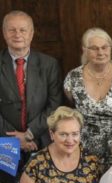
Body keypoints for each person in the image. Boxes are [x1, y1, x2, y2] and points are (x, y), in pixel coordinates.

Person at [64, 28, 112, 171]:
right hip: (84, 147)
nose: (100, 52)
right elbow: (72, 106)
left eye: (105, 47)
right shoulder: (73, 77)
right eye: (94, 48)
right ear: (85, 50)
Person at [0, 11, 62, 163]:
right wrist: (14, 139)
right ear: (4, 33)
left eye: (23, 30)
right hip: (3, 142)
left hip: (40, 139)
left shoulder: (49, 64)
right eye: (12, 30)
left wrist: (29, 133)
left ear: (32, 33)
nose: (17, 34)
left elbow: (54, 104)